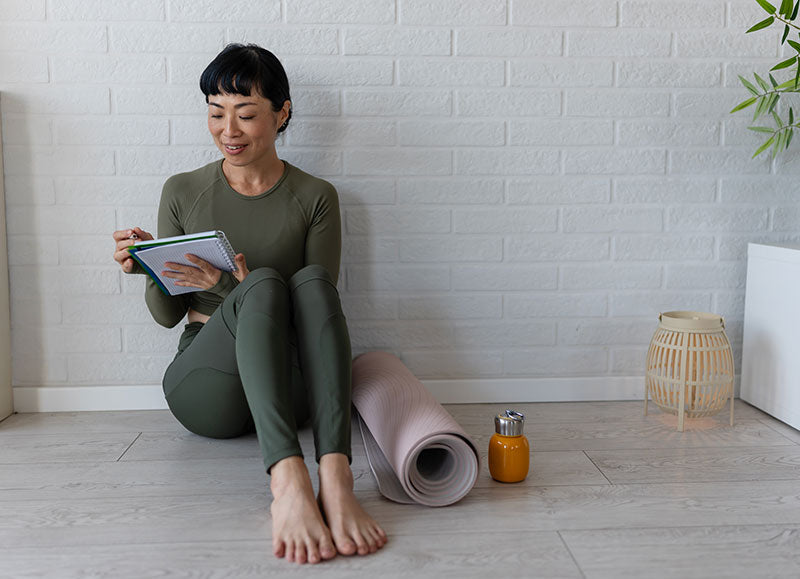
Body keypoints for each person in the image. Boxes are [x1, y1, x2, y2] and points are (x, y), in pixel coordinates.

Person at [112, 43, 386, 565]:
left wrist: (239, 284)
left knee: (304, 280)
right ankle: (288, 483)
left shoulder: (316, 196)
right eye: (216, 113)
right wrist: (150, 266)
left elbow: (318, 309)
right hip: (207, 388)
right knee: (262, 282)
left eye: (245, 113)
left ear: (282, 113)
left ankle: (336, 476)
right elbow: (167, 316)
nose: (228, 130)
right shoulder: (183, 190)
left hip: (293, 387)